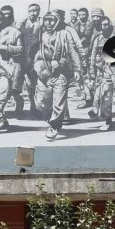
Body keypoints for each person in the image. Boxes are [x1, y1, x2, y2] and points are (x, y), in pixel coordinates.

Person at [34, 11, 81, 142]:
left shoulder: (64, 34)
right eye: (46, 20)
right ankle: (50, 118)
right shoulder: (40, 35)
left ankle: (55, 125)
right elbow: (35, 53)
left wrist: (77, 69)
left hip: (61, 73)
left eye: (52, 20)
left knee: (59, 103)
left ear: (57, 22)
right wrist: (37, 66)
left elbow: (72, 52)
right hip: (44, 73)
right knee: (41, 102)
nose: (49, 23)